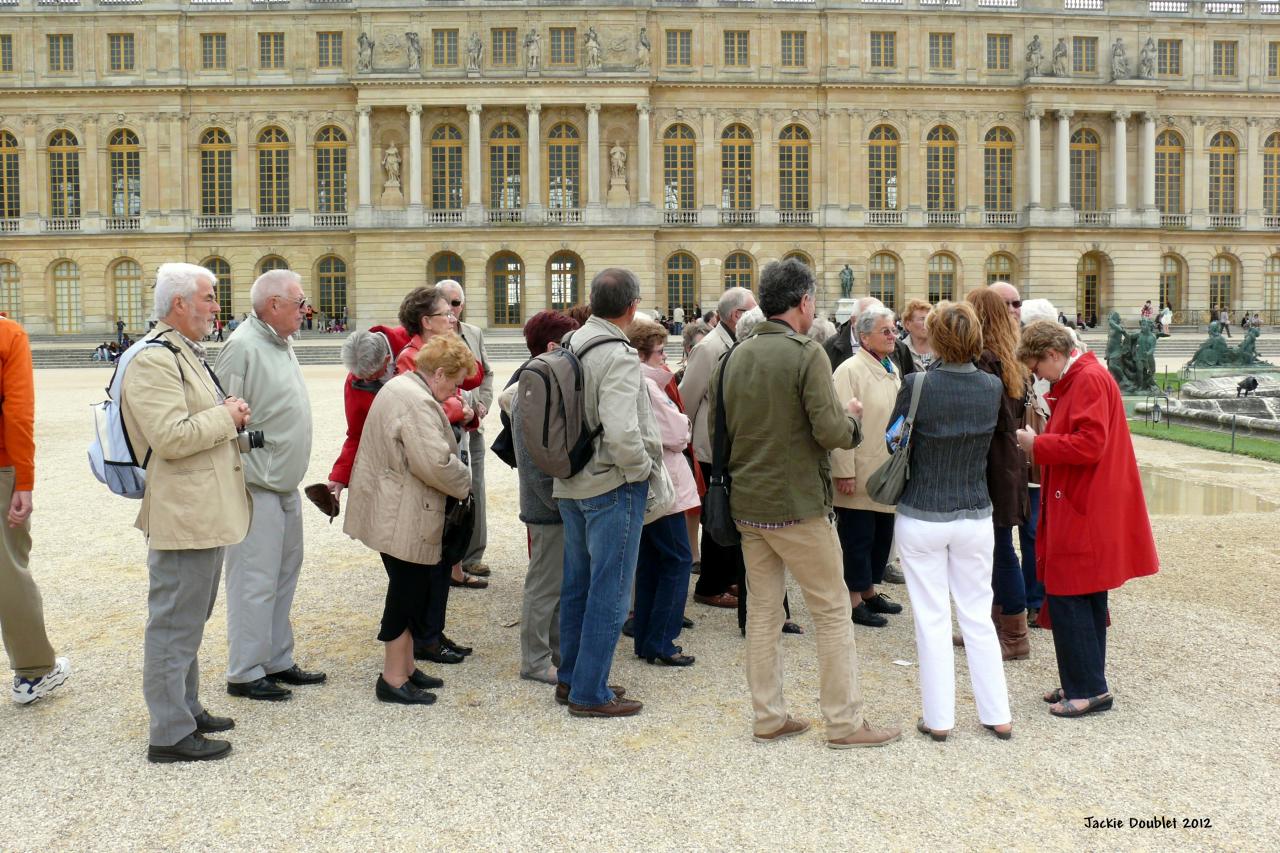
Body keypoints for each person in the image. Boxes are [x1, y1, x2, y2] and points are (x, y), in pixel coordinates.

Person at [711, 258, 900, 749]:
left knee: (764, 612)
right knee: (833, 609)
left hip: (748, 503)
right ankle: (844, 723)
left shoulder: (735, 354)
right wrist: (852, 418)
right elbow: (832, 431)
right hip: (796, 503)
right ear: (804, 302)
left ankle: (768, 714)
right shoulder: (806, 353)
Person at [121, 262, 251, 763]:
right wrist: (228, 416)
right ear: (180, 304)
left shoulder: (181, 351)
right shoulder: (155, 359)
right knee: (174, 622)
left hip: (202, 508)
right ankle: (169, 733)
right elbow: (172, 438)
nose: (216, 307)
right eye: (210, 297)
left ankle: (186, 706)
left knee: (190, 618)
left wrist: (225, 416)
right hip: (184, 513)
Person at [1015, 322, 1159, 718]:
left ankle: (1090, 689)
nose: (1038, 375)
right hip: (1083, 501)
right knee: (1084, 594)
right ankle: (1083, 679)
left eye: (1037, 366)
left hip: (1084, 505)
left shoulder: (1089, 379)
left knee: (1070, 593)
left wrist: (1036, 444)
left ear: (1055, 355)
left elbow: (1090, 444)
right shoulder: (1083, 377)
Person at [890, 301, 1012, 742]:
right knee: (978, 615)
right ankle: (997, 713)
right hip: (973, 510)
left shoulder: (917, 383)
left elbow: (892, 441)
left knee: (932, 617)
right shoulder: (992, 387)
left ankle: (940, 718)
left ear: (937, 338)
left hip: (923, 510)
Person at [553, 269, 662, 718]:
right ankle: (590, 691)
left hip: (572, 479)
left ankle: (573, 677)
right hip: (611, 481)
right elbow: (621, 430)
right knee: (612, 591)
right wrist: (641, 470)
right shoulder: (616, 353)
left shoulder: (574, 340)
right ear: (632, 306)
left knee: (578, 584)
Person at [343, 335, 475, 705]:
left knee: (408, 588)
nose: (454, 390)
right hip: (403, 510)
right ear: (437, 374)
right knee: (405, 593)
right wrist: (466, 481)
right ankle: (393, 677)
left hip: (392, 506)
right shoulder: (417, 401)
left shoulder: (402, 386)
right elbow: (434, 464)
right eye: (453, 381)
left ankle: (406, 667)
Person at [215, 270, 325, 702]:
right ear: (273, 304)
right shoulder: (242, 346)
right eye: (300, 303)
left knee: (283, 575)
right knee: (253, 581)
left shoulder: (280, 341)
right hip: (255, 484)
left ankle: (277, 657)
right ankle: (243, 670)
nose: (307, 309)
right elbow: (223, 418)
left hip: (283, 483)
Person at [504, 310, 580, 685]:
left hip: (557, 502)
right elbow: (531, 460)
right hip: (548, 505)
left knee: (557, 586)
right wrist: (560, 503)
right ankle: (534, 660)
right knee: (543, 585)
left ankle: (555, 653)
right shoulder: (530, 389)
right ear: (553, 346)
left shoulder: (542, 381)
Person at [2, 315, 70, 706]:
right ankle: (33, 671)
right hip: (0, 465)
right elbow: (17, 413)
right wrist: (23, 480)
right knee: (8, 570)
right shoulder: (7, 334)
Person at [680, 286, 756, 610]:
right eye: (753, 311)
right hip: (711, 445)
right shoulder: (710, 347)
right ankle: (710, 585)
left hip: (729, 444)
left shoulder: (735, 342)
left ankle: (728, 578)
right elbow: (686, 398)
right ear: (736, 315)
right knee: (716, 516)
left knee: (731, 512)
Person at [628, 319, 699, 667]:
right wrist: (683, 424)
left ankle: (647, 637)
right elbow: (676, 434)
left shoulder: (643, 381)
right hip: (664, 483)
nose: (664, 358)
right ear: (643, 354)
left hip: (657, 481)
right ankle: (663, 641)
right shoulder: (649, 385)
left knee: (653, 562)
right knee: (676, 560)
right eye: (658, 352)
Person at [965, 288, 1031, 660]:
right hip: (1004, 459)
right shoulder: (1006, 354)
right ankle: (994, 624)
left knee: (1001, 547)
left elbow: (998, 417)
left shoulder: (988, 359)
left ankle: (1014, 634)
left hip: (996, 461)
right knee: (992, 546)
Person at [831, 306, 903, 628]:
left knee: (880, 536)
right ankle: (853, 600)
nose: (893, 335)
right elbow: (840, 424)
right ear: (864, 337)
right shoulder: (849, 370)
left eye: (893, 329)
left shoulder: (891, 367)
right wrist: (843, 468)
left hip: (885, 466)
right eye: (885, 331)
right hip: (859, 467)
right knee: (857, 538)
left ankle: (870, 591)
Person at [436, 280, 494, 580]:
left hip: (473, 427)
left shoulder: (473, 333)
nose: (453, 310)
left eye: (457, 303)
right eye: (447, 304)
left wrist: (483, 402)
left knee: (476, 488)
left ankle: (473, 555)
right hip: (444, 428)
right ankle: (443, 556)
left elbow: (487, 372)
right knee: (447, 489)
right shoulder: (432, 337)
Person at [326, 328, 396, 508]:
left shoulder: (413, 346)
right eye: (360, 376)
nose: (364, 381)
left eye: (370, 377)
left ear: (387, 360)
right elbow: (357, 433)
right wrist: (340, 476)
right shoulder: (355, 378)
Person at [900, 299, 934, 372]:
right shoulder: (899, 351)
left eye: (930, 319)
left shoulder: (943, 350)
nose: (927, 323)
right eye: (922, 319)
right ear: (908, 324)